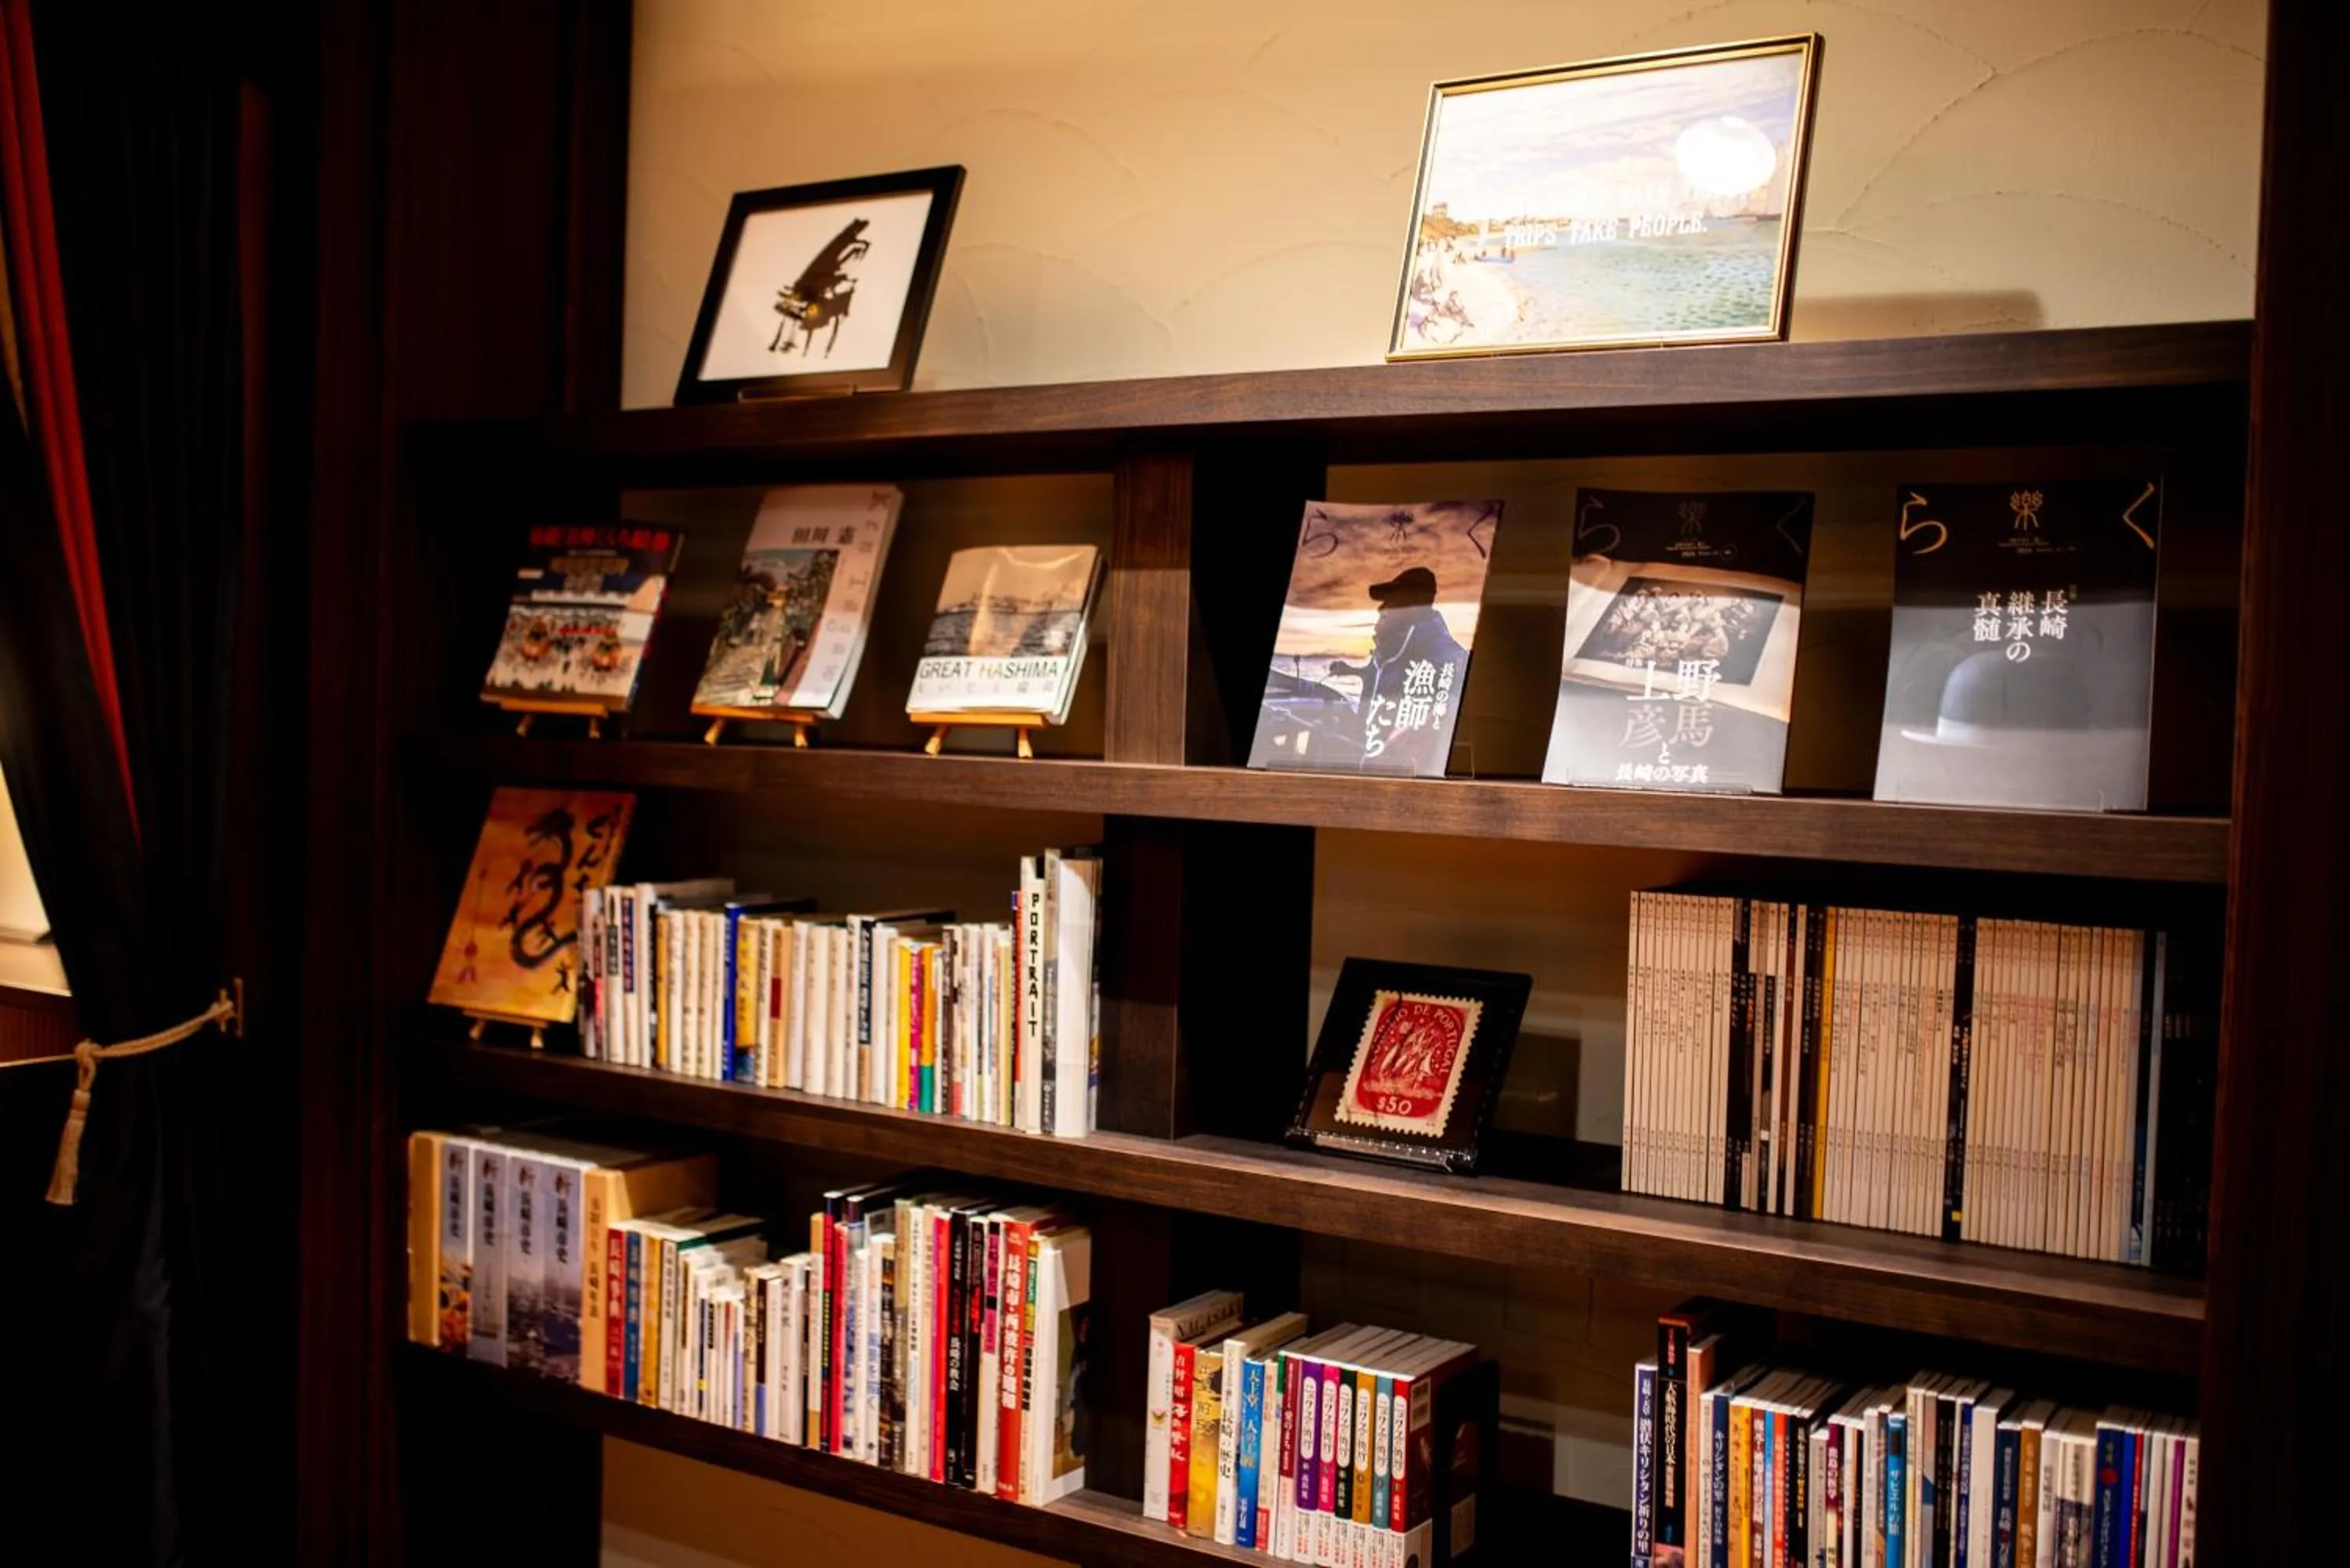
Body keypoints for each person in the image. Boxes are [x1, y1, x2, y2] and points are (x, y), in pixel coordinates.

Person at [1326, 565, 1470, 773]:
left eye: (1392, 601)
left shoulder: (1450, 660)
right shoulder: (1387, 652)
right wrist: (1351, 671)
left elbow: (1433, 734)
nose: (1381, 609)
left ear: (1418, 603)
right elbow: (1378, 678)